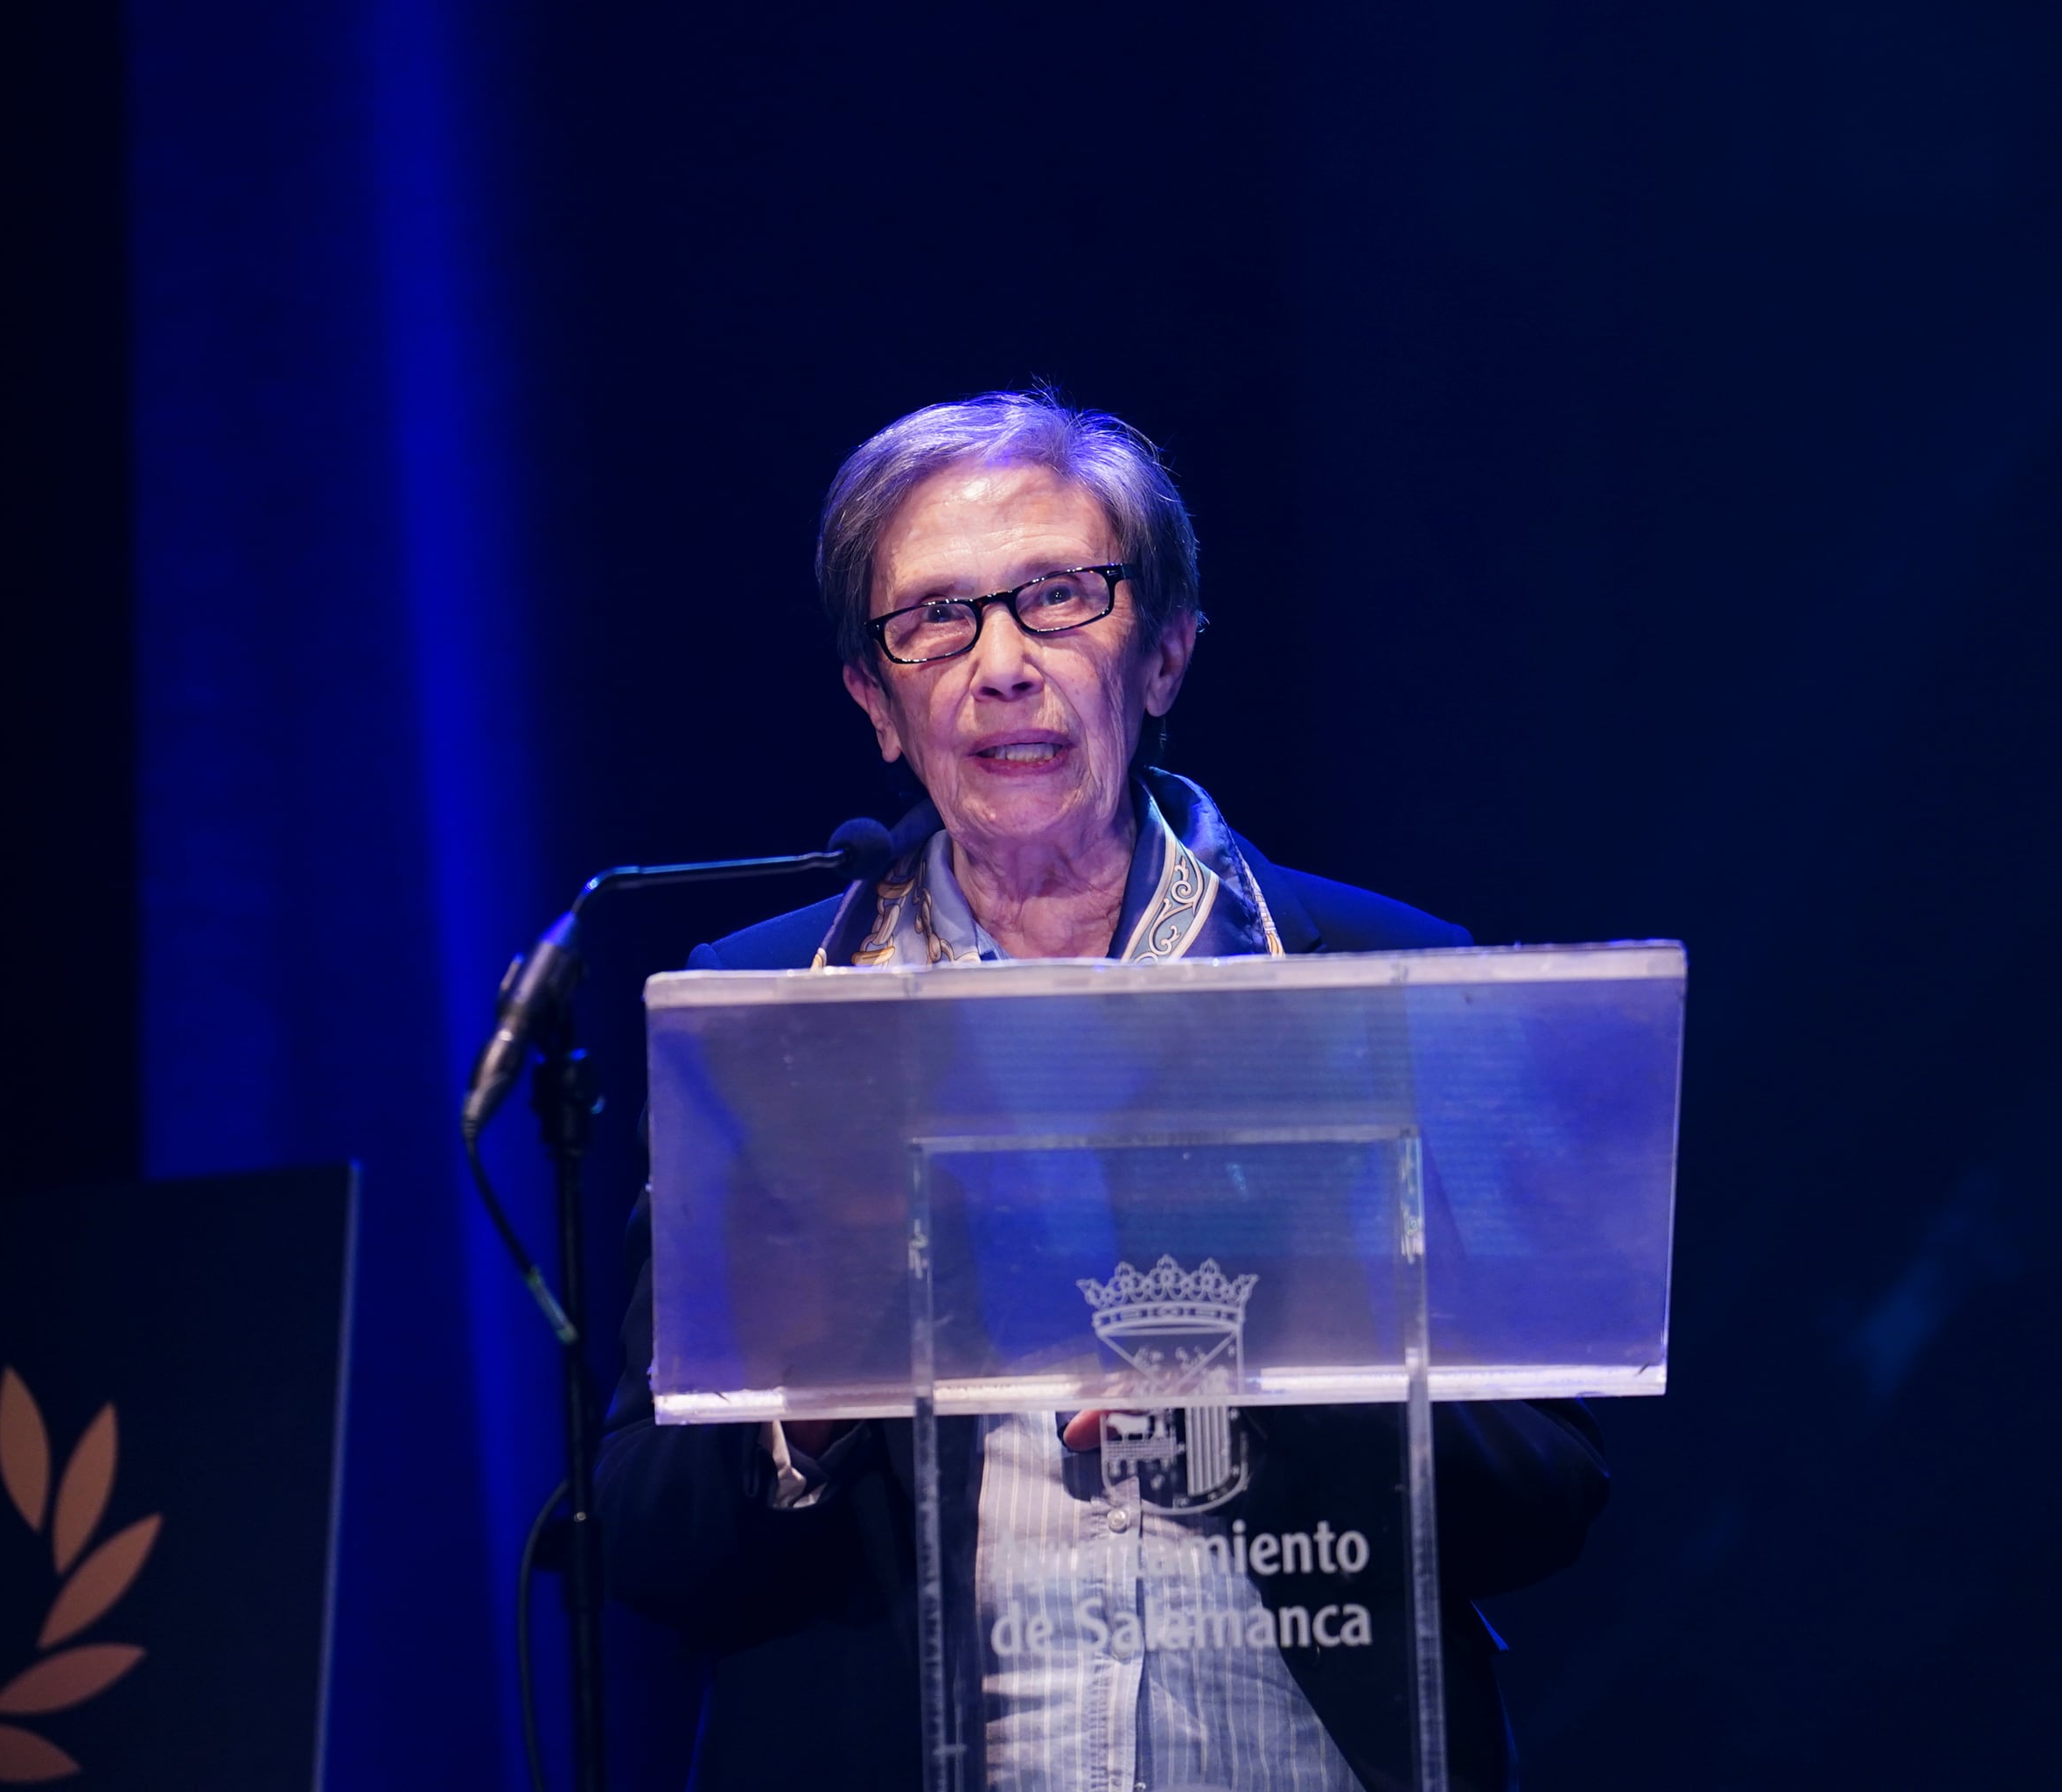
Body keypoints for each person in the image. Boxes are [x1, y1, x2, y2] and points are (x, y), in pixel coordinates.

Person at [598, 392, 1609, 1792]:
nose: (999, 664)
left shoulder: (1375, 981)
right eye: (934, 620)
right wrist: (811, 1395)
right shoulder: (778, 1015)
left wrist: (1278, 1393)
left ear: (1165, 656)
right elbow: (650, 1542)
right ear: (877, 706)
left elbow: (1546, 1498)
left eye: (1060, 598)